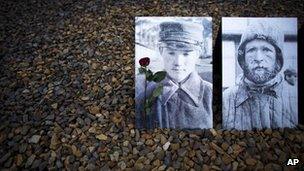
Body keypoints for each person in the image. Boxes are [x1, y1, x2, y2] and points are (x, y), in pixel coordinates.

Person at [136, 21, 213, 129]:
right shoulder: (146, 96)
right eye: (171, 53)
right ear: (161, 51)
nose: (178, 62)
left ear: (198, 54)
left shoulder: (211, 95)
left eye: (186, 53)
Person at [223, 21, 298, 130]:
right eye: (251, 50)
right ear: (242, 57)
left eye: (266, 50)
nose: (258, 58)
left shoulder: (295, 97)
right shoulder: (226, 99)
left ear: (278, 57)